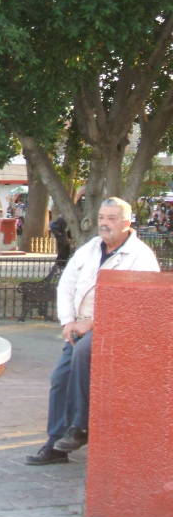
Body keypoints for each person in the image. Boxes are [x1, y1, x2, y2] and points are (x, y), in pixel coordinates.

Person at [26, 197, 160, 466]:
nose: (104, 224)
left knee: (84, 353)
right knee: (59, 378)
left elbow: (140, 305)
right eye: (101, 218)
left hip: (118, 331)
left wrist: (95, 323)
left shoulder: (141, 256)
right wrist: (68, 322)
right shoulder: (89, 249)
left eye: (111, 218)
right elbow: (66, 286)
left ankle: (79, 426)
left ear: (126, 222)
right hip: (80, 326)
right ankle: (56, 444)